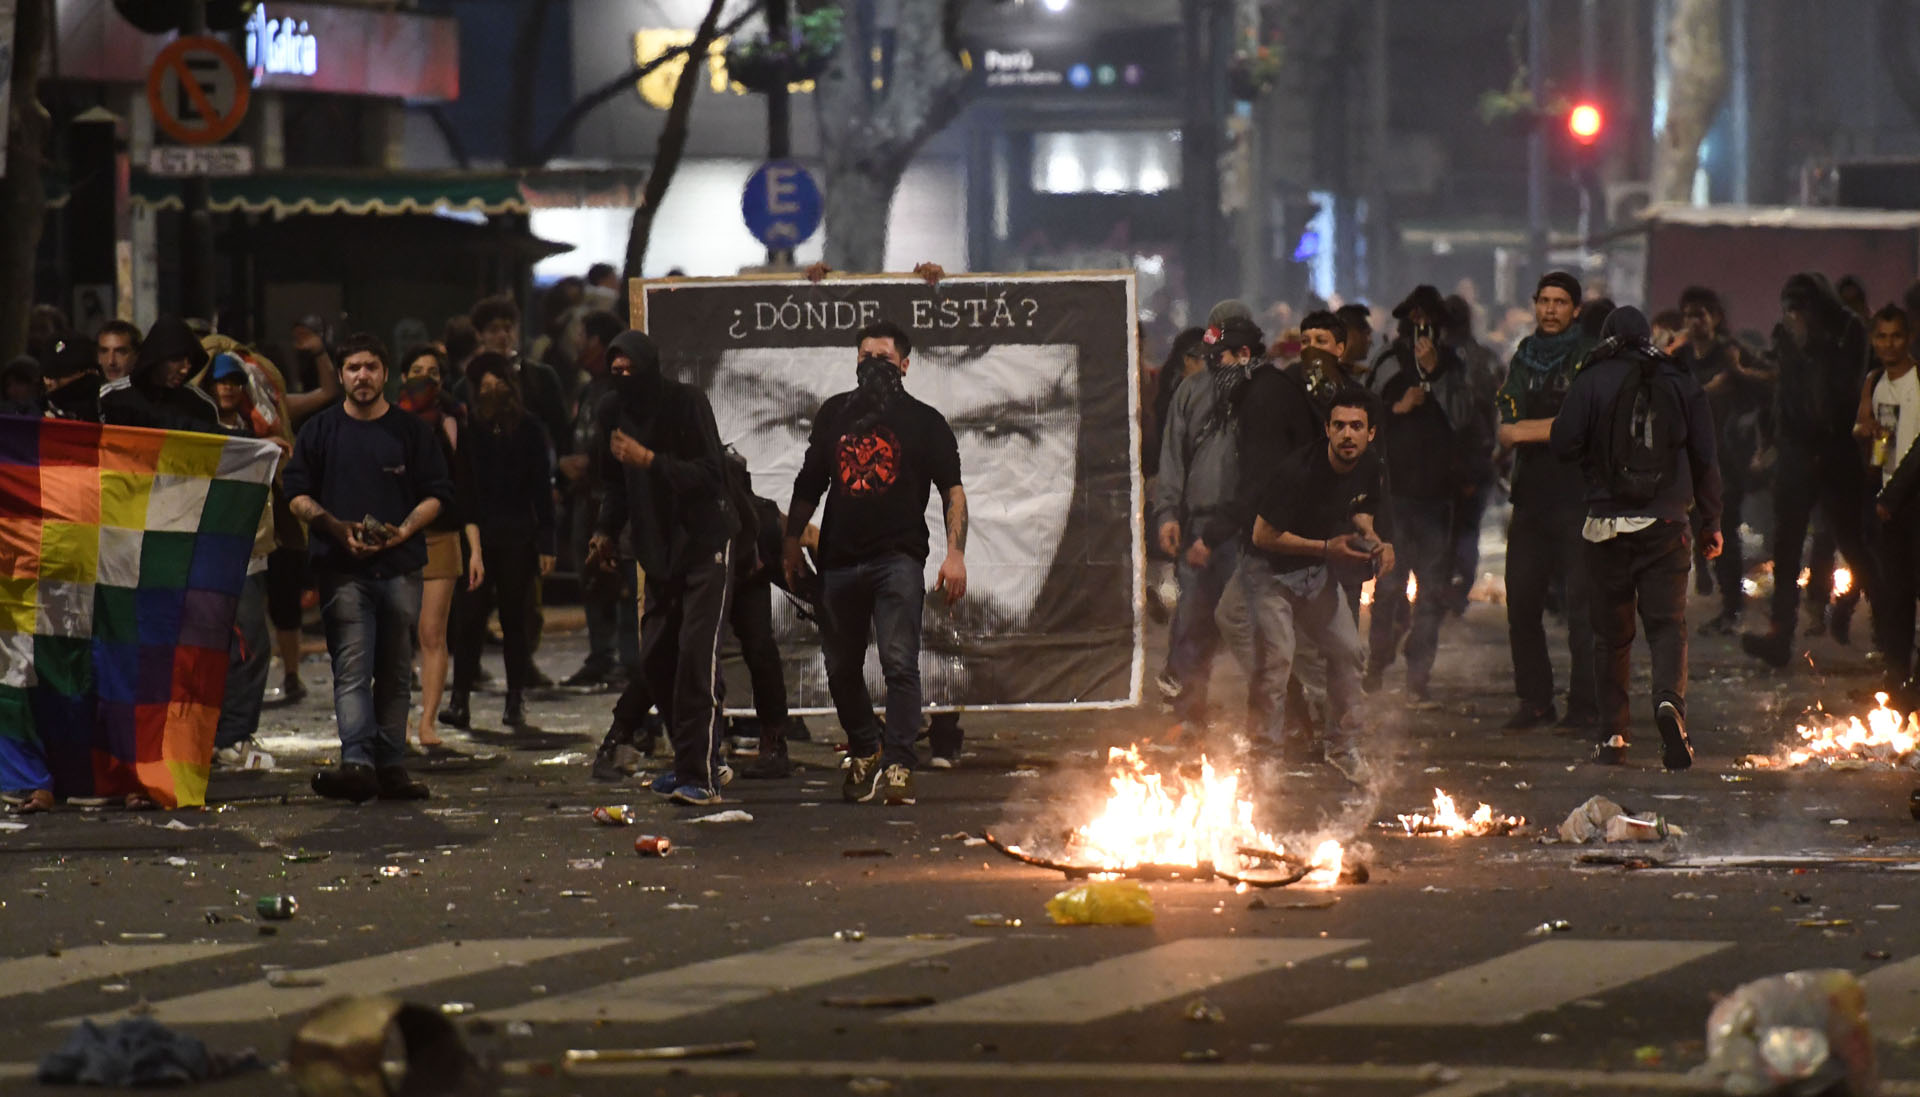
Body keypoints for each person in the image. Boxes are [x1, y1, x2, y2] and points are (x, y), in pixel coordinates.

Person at [784, 320, 967, 807]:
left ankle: (900, 763)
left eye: (883, 358)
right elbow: (808, 484)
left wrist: (955, 554)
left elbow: (953, 490)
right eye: (866, 357)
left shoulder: (925, 421)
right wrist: (788, 544)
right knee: (841, 668)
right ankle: (866, 747)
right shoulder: (834, 415)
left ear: (904, 366)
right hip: (839, 561)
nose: (873, 366)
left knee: (898, 662)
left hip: (897, 560)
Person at [1549, 306, 1722, 769]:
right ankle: (1669, 706)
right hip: (1666, 524)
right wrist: (1711, 522)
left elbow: (1562, 443)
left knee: (1610, 634)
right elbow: (1706, 455)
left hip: (1605, 526)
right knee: (1667, 626)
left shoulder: (1592, 378)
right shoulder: (1679, 379)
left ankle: (1613, 736)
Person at [283, 334, 453, 802]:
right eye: (354, 367)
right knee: (353, 667)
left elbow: (439, 493)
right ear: (340, 375)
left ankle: (391, 765)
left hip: (400, 566)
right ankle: (358, 762)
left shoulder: (412, 432)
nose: (363, 376)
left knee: (398, 669)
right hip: (342, 570)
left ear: (385, 374)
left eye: (371, 367)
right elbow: (294, 492)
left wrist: (403, 530)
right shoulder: (320, 431)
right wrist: (335, 528)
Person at [590, 330, 740, 805]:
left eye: (630, 368)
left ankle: (703, 773)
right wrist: (604, 531)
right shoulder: (613, 412)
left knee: (697, 657)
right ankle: (691, 759)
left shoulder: (685, 403)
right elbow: (615, 483)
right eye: (615, 371)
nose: (622, 378)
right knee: (655, 659)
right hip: (657, 551)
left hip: (702, 543)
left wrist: (650, 460)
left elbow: (711, 474)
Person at [1246, 388, 1394, 781]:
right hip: (1271, 573)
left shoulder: (1370, 465)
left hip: (1316, 573)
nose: (1348, 435)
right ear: (1327, 429)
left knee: (1348, 652)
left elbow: (1362, 507)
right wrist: (1327, 547)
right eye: (1340, 426)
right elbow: (1261, 536)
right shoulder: (1297, 471)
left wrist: (1377, 540)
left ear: (1371, 433)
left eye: (1357, 427)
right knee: (1277, 660)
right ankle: (1264, 757)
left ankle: (1342, 747)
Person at [1742, 274, 1878, 668]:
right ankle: (1779, 634)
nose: (1794, 315)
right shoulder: (1788, 335)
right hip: (1796, 452)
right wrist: (1770, 442)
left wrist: (1808, 345)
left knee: (1852, 544)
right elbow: (1783, 393)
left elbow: (1842, 392)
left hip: (1836, 451)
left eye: (1800, 308)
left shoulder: (1847, 331)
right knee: (1786, 548)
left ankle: (1891, 633)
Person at [1365, 285, 1485, 700]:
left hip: (1437, 496)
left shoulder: (1453, 363)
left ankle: (1419, 679)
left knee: (1431, 592)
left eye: (1429, 320)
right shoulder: (1386, 360)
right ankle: (1377, 666)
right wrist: (1397, 408)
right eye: (1415, 319)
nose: (1422, 328)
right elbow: (1362, 413)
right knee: (1388, 590)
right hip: (1394, 495)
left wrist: (1435, 374)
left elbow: (1464, 417)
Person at [1152, 310, 1265, 732]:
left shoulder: (1262, 392)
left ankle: (1269, 719)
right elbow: (1173, 458)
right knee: (1195, 619)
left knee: (1255, 625)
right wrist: (1167, 513)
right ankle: (1189, 714)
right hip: (1201, 525)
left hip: (1251, 529)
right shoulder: (1190, 392)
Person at [1496, 272, 1599, 729]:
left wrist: (1530, 431)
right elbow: (1505, 425)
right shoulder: (1524, 356)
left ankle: (1585, 705)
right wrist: (1545, 429)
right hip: (1530, 500)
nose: (1550, 310)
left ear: (1576, 309)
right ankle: (1535, 700)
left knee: (1583, 611)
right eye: (1544, 301)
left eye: (1560, 302)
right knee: (1521, 603)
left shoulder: (1589, 357)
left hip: (1579, 500)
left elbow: (1580, 424)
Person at [441, 353, 555, 731]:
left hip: (518, 537)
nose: (492, 390)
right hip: (479, 535)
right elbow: (466, 489)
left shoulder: (531, 430)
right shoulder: (470, 431)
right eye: (484, 385)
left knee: (515, 619)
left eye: (498, 382)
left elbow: (542, 490)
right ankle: (460, 700)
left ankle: (515, 700)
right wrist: (470, 543)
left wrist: (547, 543)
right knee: (468, 620)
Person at [396, 346, 482, 750]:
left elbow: (464, 488)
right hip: (394, 537)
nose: (424, 379)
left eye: (432, 373)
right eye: (416, 370)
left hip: (442, 536)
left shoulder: (453, 422)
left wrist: (475, 549)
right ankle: (393, 720)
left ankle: (427, 722)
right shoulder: (387, 421)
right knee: (396, 634)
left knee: (432, 632)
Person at [1673, 286, 1769, 635]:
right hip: (1690, 460)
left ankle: (1732, 608)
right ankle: (1717, 594)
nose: (1695, 322)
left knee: (1722, 529)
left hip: (1727, 460)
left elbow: (1768, 386)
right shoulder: (1681, 357)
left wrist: (1738, 374)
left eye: (1701, 314)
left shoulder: (1731, 354)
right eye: (1689, 315)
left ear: (1714, 317)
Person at [561, 310, 630, 690]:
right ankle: (600, 656)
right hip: (585, 500)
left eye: (583, 336)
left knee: (616, 577)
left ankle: (625, 659)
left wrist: (591, 462)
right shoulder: (589, 390)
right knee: (590, 578)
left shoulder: (619, 390)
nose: (577, 344)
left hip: (610, 498)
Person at [1864, 306, 1920, 693]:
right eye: (1882, 336)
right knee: (1895, 593)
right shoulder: (1875, 382)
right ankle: (1898, 673)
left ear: (1909, 337)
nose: (1889, 344)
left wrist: (1895, 493)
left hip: (1913, 498)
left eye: (1896, 336)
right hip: (1887, 501)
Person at [1442, 293, 1503, 614]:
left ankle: (1440, 594)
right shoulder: (1487, 359)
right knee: (1467, 529)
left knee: (1441, 531)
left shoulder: (1432, 361)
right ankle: (1457, 593)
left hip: (1439, 462)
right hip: (1478, 458)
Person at [99, 318, 225, 431]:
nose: (185, 370)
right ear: (157, 358)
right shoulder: (110, 397)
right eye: (176, 359)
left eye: (190, 361)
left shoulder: (202, 404)